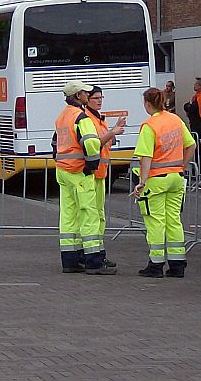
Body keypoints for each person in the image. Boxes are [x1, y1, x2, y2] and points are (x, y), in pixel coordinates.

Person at [131, 87, 196, 278]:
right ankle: (177, 265)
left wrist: (142, 181)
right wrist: (181, 166)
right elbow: (191, 144)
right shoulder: (175, 119)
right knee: (174, 221)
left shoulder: (149, 126)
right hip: (176, 178)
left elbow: (146, 157)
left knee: (156, 222)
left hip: (156, 180)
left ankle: (156, 264)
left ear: (148, 104)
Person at [53, 80, 106, 274]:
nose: (88, 95)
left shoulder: (62, 116)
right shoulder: (81, 118)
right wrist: (92, 166)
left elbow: (54, 143)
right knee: (89, 213)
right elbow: (91, 144)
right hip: (79, 171)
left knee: (68, 215)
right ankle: (94, 261)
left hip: (64, 171)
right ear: (78, 96)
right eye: (85, 93)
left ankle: (70, 260)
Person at [85, 86, 126, 269]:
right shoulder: (88, 118)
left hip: (101, 171)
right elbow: (94, 144)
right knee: (93, 215)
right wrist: (112, 133)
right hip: (92, 172)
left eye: (101, 97)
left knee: (99, 216)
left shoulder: (98, 117)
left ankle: (98, 253)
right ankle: (94, 256)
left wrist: (113, 132)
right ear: (88, 99)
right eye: (96, 98)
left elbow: (105, 142)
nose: (100, 101)